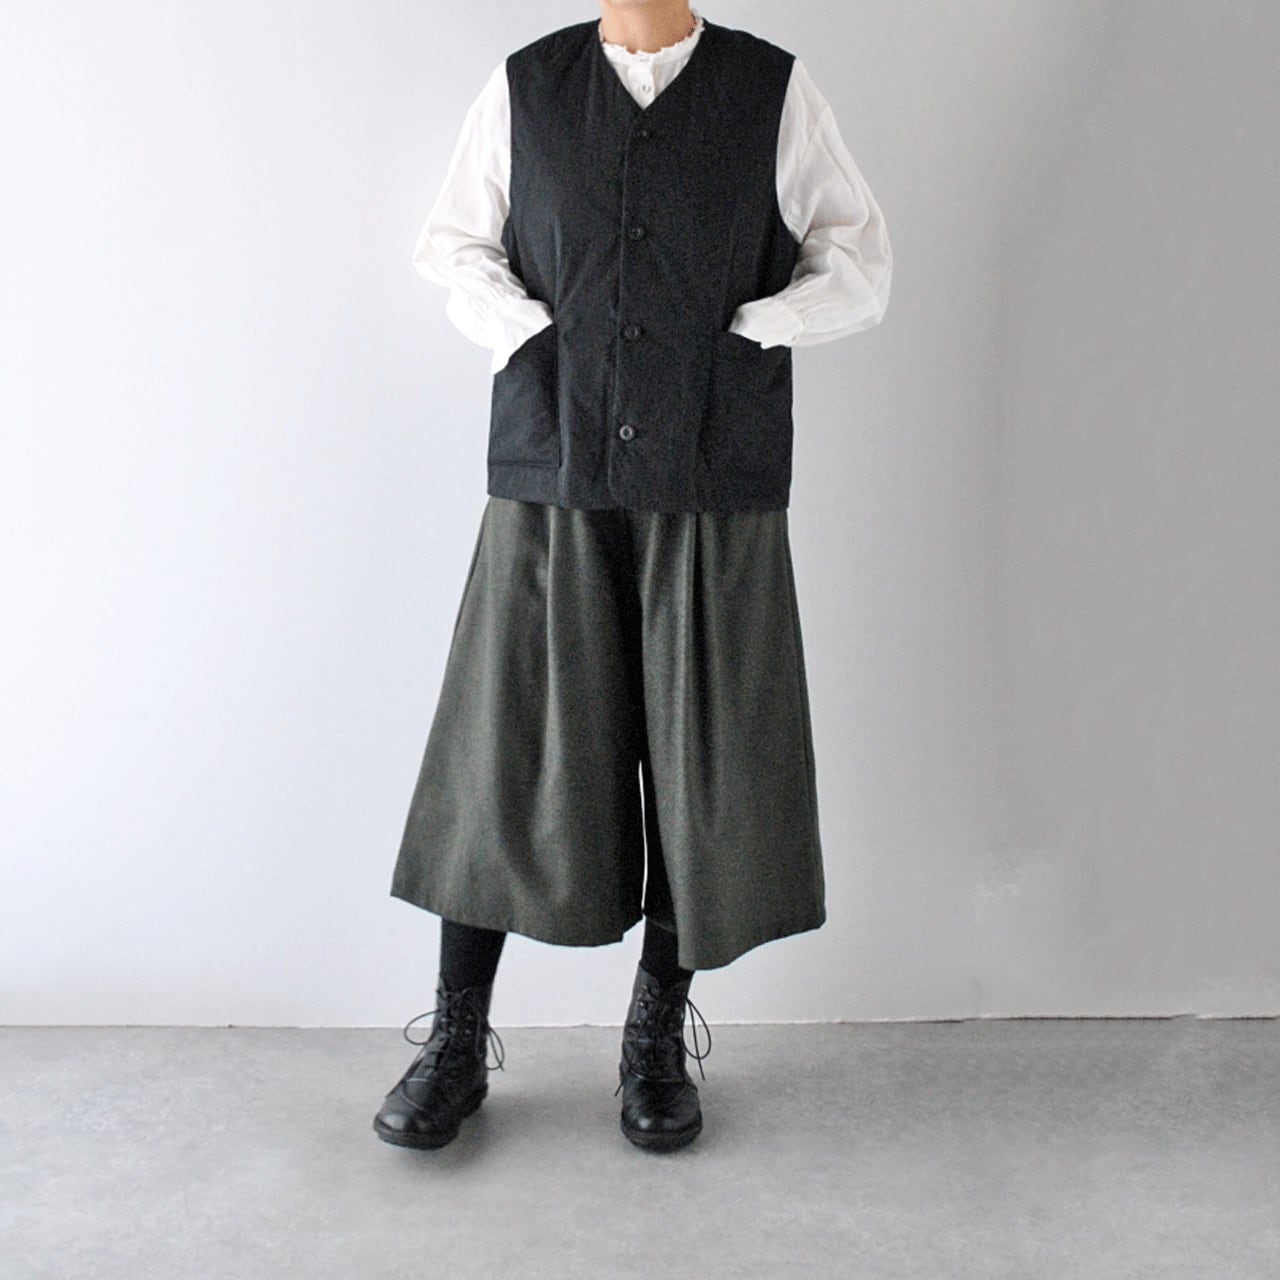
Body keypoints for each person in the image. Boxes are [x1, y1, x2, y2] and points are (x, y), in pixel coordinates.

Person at [374, 0, 891, 1154]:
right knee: (505, 748)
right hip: (552, 465)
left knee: (700, 756)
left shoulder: (770, 90)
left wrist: (754, 328)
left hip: (712, 470)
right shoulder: (525, 87)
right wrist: (524, 332)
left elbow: (857, 260)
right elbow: (451, 242)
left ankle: (654, 1035)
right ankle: (456, 1035)